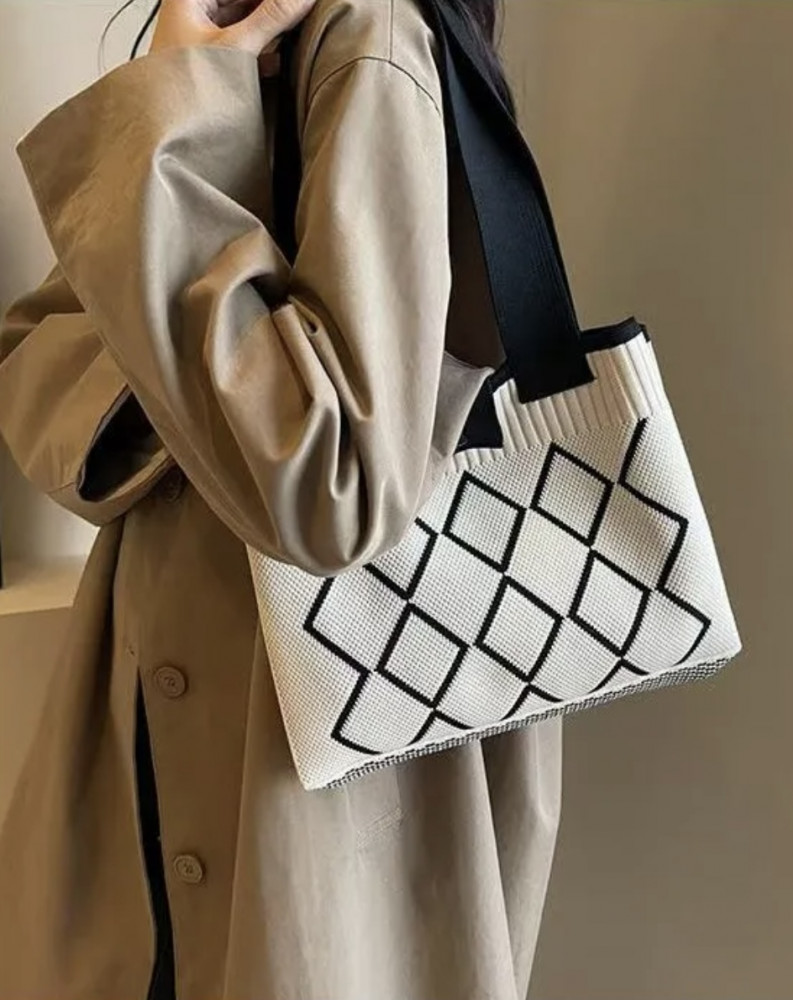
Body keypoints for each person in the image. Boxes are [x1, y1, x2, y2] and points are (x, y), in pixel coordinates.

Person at [0, 0, 563, 997]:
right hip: (189, 739)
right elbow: (34, 369)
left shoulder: (367, 41)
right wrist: (203, 380)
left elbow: (333, 485)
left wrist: (174, 127)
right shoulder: (252, 47)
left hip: (308, 773)